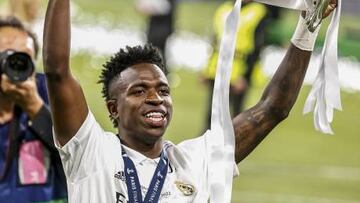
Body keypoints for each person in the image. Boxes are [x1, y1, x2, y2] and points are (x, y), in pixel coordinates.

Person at [42, 0, 337, 202]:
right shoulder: (90, 151)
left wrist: (308, 27)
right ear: (113, 108)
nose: (155, 98)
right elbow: (57, 71)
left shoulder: (195, 161)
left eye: (163, 90)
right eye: (139, 91)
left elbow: (272, 109)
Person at [0, 16, 67, 202]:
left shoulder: (47, 91)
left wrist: (34, 106)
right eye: (5, 54)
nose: (14, 63)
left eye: (23, 57)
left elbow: (80, 153)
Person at [202, 0, 270, 129]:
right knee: (211, 114)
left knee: (235, 117)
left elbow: (257, 47)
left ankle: (233, 147)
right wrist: (206, 69)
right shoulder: (223, 9)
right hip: (217, 68)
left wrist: (245, 77)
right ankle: (205, 145)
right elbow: (214, 39)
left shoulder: (258, 12)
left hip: (239, 69)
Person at [135, 0, 177, 75]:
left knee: (153, 52)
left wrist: (149, 7)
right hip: (157, 28)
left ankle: (156, 73)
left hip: (160, 29)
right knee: (155, 53)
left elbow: (164, 7)